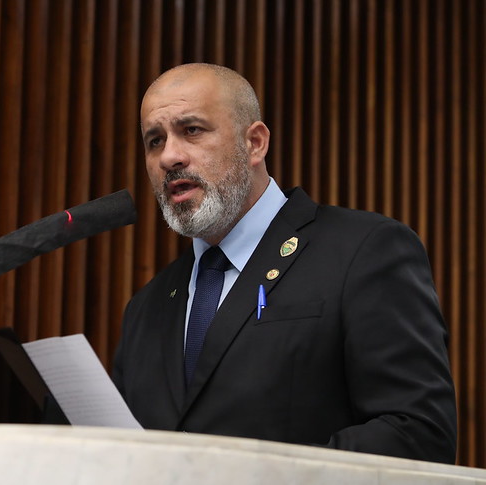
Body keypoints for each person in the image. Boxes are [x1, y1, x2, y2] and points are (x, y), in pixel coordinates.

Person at [111, 63, 457, 463]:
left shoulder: (363, 251)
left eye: (192, 130)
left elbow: (419, 433)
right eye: (155, 140)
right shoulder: (146, 307)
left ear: (255, 143)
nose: (170, 156)